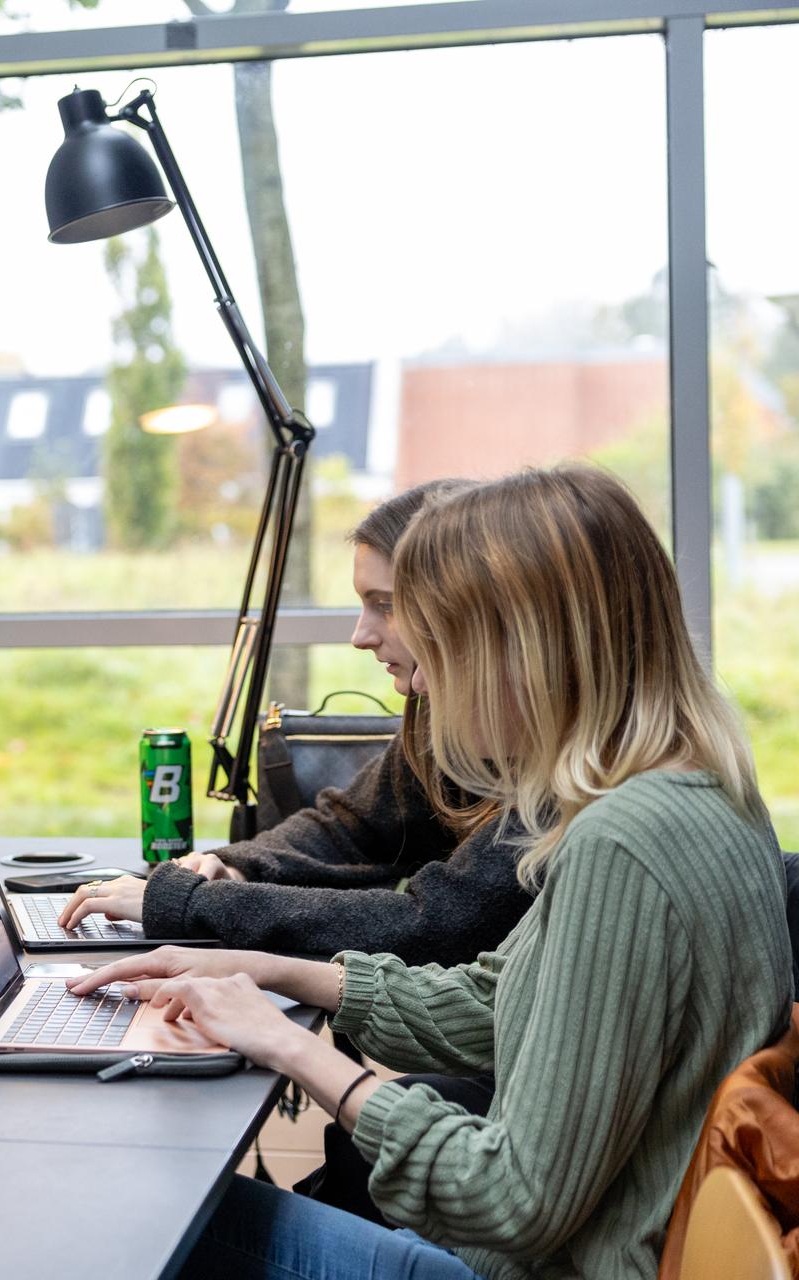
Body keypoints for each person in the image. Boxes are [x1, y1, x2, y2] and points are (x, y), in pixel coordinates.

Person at [70, 465, 792, 1280]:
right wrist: (268, 969)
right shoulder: (696, 786)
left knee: (144, 1202)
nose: (420, 683)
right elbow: (501, 1003)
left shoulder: (624, 842)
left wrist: (290, 1046)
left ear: (522, 651)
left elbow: (512, 1198)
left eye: (438, 652)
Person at [60, 478, 533, 968]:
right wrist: (236, 870)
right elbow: (351, 828)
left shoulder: (562, 777)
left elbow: (435, 925)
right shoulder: (440, 718)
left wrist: (197, 904)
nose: (360, 636)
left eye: (387, 605)